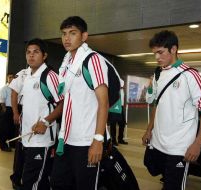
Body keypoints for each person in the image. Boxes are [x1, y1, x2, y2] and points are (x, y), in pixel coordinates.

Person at [142, 30, 201, 190]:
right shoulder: (159, 74)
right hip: (158, 142)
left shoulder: (190, 75)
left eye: (160, 52)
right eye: (154, 53)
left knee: (172, 186)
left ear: (173, 49)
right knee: (153, 168)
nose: (157, 57)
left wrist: (198, 143)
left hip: (180, 146)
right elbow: (156, 105)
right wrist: (149, 130)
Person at [50, 16, 109, 190]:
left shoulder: (93, 60)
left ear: (84, 36)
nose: (66, 38)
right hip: (67, 139)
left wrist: (98, 140)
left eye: (72, 33)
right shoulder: (67, 62)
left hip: (86, 141)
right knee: (58, 183)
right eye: (64, 34)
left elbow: (103, 103)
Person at [9, 38, 63, 190]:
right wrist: (16, 114)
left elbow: (62, 103)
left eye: (36, 52)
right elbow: (16, 94)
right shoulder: (26, 75)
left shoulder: (50, 76)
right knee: (37, 180)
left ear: (44, 55)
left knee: (32, 182)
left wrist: (45, 122)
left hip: (42, 141)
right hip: (26, 138)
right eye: (28, 52)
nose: (31, 56)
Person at [0, 73, 15, 152]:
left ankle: (12, 144)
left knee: (12, 128)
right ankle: (3, 146)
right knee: (4, 129)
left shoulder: (16, 88)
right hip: (7, 109)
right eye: (10, 77)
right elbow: (2, 101)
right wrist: (4, 109)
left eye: (13, 77)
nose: (11, 79)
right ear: (7, 79)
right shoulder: (4, 88)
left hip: (14, 109)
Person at [109, 80, 128, 146]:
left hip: (121, 107)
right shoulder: (114, 89)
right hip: (114, 107)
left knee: (122, 123)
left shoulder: (122, 90)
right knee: (113, 124)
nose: (123, 85)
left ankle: (120, 139)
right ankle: (113, 140)